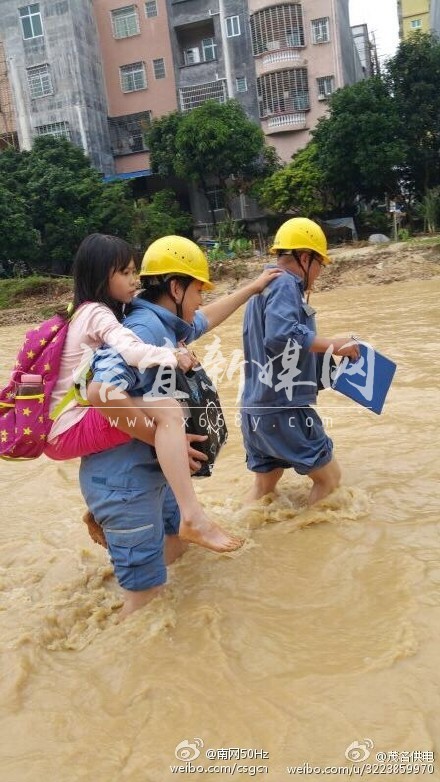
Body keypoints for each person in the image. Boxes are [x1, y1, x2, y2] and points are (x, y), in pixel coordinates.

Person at [80, 235, 281, 619]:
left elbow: (204, 319)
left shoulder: (165, 323)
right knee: (145, 603)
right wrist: (159, 437)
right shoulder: (145, 331)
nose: (201, 301)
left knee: (178, 552)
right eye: (197, 291)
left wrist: (253, 288)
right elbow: (100, 392)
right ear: (175, 288)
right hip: (126, 486)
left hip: (151, 477)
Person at [44, 233, 240, 553]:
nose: (133, 281)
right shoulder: (104, 315)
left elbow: (200, 321)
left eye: (134, 272)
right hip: (72, 424)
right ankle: (192, 517)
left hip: (69, 424)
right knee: (167, 410)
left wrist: (254, 287)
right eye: (124, 273)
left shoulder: (108, 312)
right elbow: (115, 374)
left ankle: (104, 513)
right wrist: (174, 357)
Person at [240, 217, 360, 507]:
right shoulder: (285, 285)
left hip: (255, 410)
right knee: (329, 480)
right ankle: (312, 542)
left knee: (265, 489)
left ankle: (249, 539)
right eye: (319, 264)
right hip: (283, 409)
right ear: (305, 258)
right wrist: (337, 345)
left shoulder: (262, 287)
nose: (319, 273)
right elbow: (280, 337)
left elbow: (276, 348)